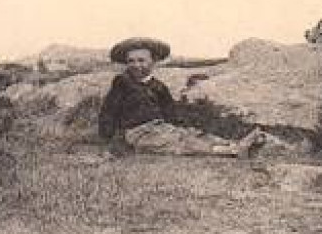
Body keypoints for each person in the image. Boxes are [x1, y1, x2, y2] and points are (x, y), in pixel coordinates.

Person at [97, 36, 267, 157]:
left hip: (162, 128)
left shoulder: (159, 86)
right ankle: (234, 150)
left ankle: (235, 144)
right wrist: (109, 141)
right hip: (139, 134)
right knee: (181, 144)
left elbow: (171, 112)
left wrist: (182, 128)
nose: (136, 65)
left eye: (141, 60)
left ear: (153, 62)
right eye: (131, 61)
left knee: (193, 136)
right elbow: (108, 111)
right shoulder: (122, 82)